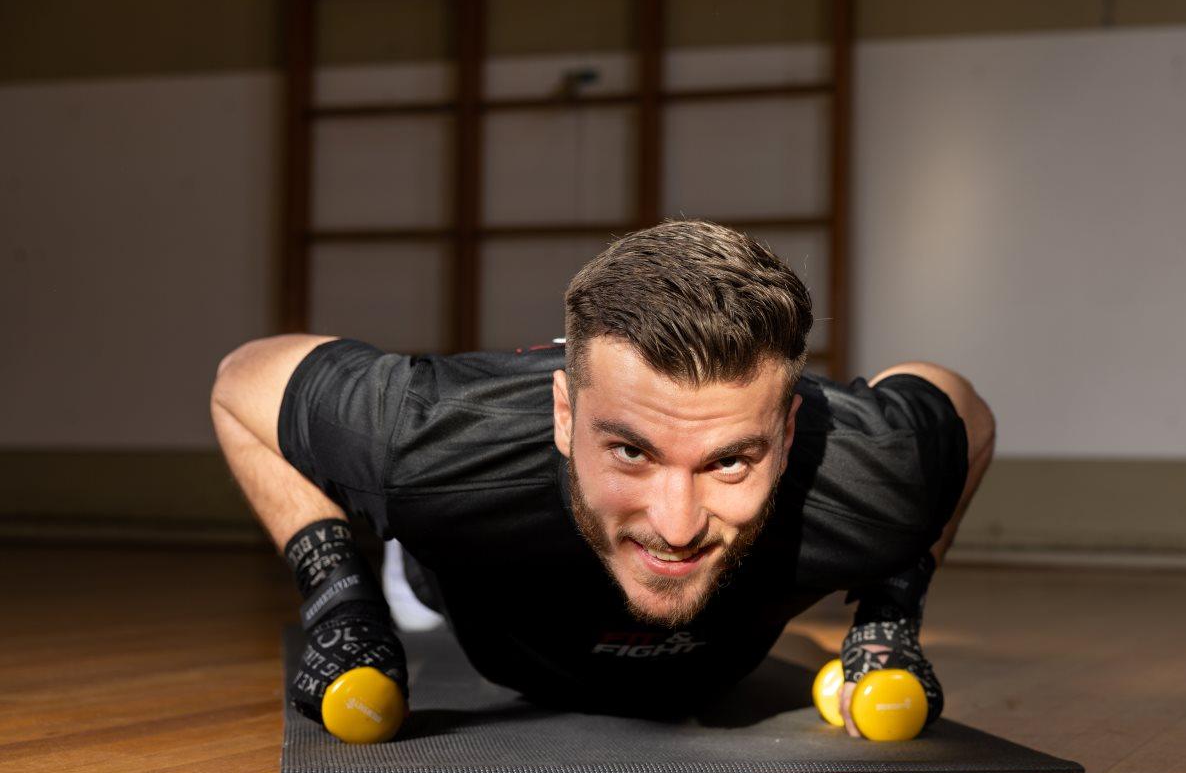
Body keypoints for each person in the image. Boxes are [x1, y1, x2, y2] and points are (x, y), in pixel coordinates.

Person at [210, 221, 994, 737]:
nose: (678, 522)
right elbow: (240, 383)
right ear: (562, 414)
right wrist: (338, 599)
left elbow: (965, 410)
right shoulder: (427, 436)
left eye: (728, 460)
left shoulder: (875, 472)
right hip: (463, 599)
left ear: (787, 435)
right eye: (632, 453)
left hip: (715, 664)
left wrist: (893, 610)